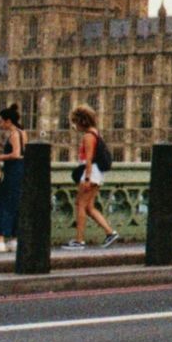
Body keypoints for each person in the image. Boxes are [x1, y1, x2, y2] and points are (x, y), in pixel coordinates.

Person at [66, 105, 119, 249]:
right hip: (96, 172)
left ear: (82, 121)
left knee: (80, 205)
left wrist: (87, 179)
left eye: (75, 122)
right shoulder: (95, 132)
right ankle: (110, 232)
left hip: (91, 172)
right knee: (89, 207)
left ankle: (79, 240)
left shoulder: (88, 136)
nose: (74, 126)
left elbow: (88, 159)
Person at [0, 104, 26, 253]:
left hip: (13, 171)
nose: (0, 124)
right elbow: (21, 151)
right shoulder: (22, 132)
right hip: (21, 170)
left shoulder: (13, 134)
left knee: (3, 203)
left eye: (1, 121)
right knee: (15, 205)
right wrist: (0, 144)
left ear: (9, 121)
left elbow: (15, 154)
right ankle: (14, 239)